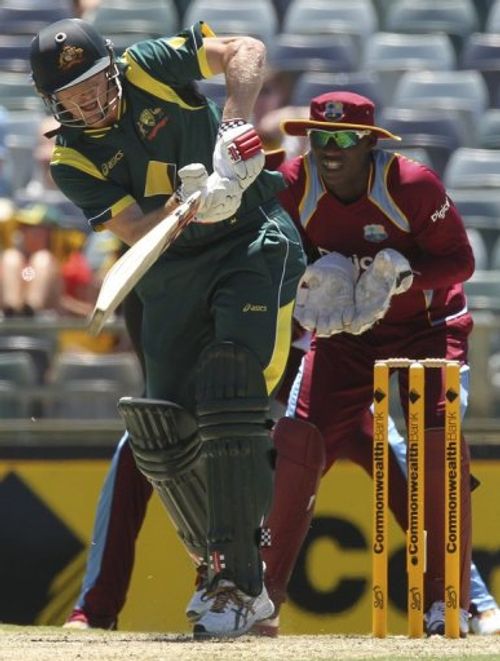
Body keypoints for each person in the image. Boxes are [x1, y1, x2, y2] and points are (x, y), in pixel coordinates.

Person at [29, 17, 305, 639]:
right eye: (71, 98)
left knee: (229, 388)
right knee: (161, 431)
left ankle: (240, 584)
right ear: (53, 104)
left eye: (95, 84)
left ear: (112, 68)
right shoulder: (72, 158)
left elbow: (246, 49)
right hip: (171, 265)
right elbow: (134, 231)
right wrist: (195, 206)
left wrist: (235, 122)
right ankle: (222, 572)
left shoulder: (149, 63)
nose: (90, 103)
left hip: (251, 242)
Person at [256, 90, 476, 638]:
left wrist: (406, 277)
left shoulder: (412, 185)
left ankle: (444, 603)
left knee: (434, 442)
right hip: (349, 331)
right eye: (320, 137)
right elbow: (269, 247)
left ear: (369, 144)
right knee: (299, 438)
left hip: (429, 326)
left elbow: (461, 262)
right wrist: (308, 273)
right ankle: (262, 600)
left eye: (344, 139)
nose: (330, 149)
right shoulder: (293, 183)